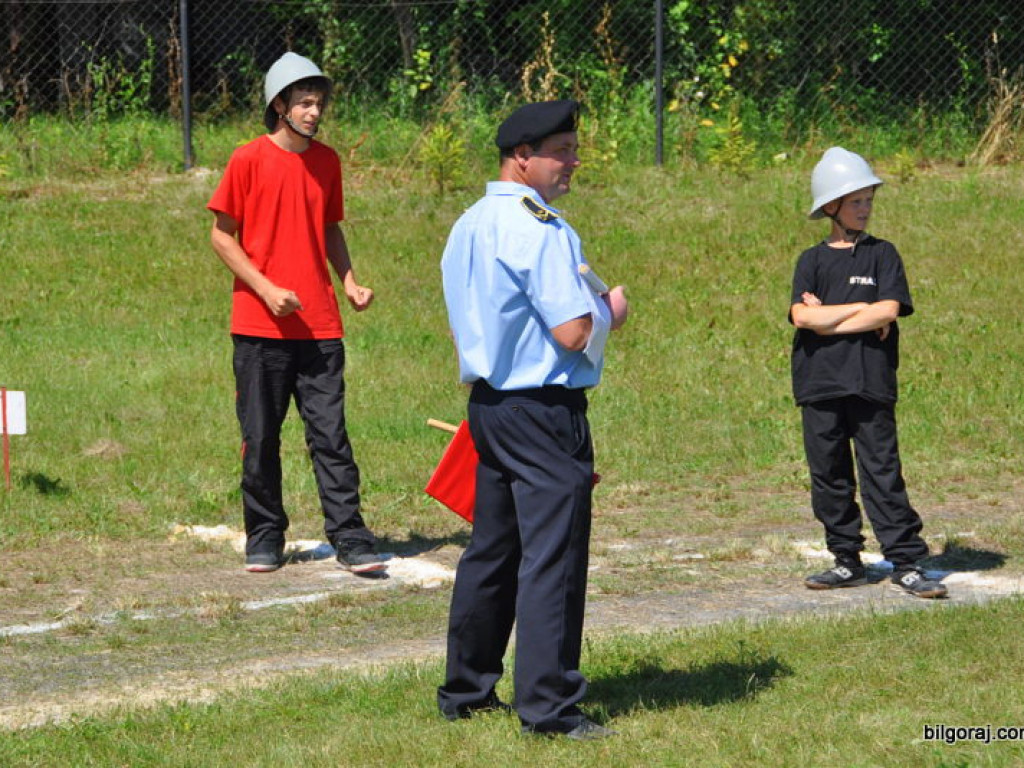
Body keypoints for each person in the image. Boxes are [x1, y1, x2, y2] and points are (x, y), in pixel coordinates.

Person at [436, 100, 629, 740]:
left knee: (493, 552)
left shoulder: (468, 223)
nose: (573, 162)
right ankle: (549, 707)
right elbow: (572, 331)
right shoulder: (540, 228)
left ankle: (466, 690)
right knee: (553, 556)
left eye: (573, 149)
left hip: (490, 405)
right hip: (542, 409)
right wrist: (610, 312)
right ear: (522, 157)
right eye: (561, 151)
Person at [206, 52, 386, 575]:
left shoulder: (327, 162)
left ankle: (350, 536)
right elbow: (221, 236)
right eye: (305, 102)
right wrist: (265, 289)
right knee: (261, 437)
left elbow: (329, 227)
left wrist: (348, 281)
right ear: (279, 105)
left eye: (319, 103)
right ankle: (264, 536)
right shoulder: (247, 159)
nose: (314, 112)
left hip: (320, 327)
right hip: (259, 327)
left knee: (331, 437)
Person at [789, 146, 945, 599]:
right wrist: (861, 307)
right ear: (831, 206)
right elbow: (801, 316)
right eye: (856, 201)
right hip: (819, 384)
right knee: (829, 476)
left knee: (882, 471)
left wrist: (833, 318)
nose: (864, 208)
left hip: (869, 383)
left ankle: (906, 562)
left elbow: (888, 310)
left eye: (868, 200)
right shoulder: (811, 261)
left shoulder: (883, 254)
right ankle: (846, 560)